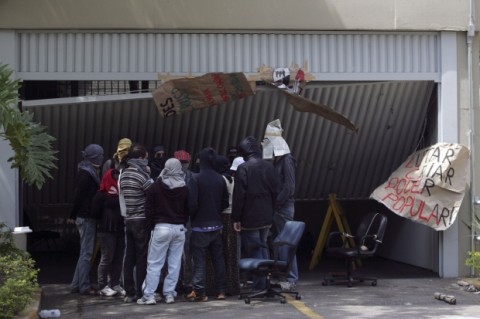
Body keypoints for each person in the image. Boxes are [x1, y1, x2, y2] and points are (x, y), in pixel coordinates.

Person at [137, 158, 189, 305]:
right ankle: (170, 293)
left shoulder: (156, 186)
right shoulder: (184, 187)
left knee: (154, 263)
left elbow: (149, 209)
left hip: (161, 228)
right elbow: (187, 209)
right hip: (179, 229)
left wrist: (152, 225)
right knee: (174, 263)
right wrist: (182, 223)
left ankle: (149, 295)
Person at [232, 136, 280, 291]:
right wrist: (272, 210)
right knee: (263, 246)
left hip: (250, 217)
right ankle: (266, 282)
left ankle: (260, 286)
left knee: (254, 249)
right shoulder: (270, 167)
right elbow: (276, 192)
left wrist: (236, 218)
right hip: (267, 215)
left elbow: (239, 196)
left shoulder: (244, 168)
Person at [187, 147, 229, 302]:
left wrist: (194, 215)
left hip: (200, 226)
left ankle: (200, 292)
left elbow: (192, 204)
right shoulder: (220, 179)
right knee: (218, 258)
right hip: (217, 226)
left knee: (199, 259)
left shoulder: (195, 178)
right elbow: (225, 201)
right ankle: (221, 291)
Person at [262, 119, 298, 291]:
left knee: (286, 243)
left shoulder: (286, 160)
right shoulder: (276, 160)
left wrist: (276, 203)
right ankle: (281, 274)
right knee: (277, 242)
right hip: (277, 207)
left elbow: (289, 186)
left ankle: (291, 278)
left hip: (283, 207)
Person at [118, 143, 154, 303]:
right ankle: (140, 291)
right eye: (145, 158)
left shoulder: (124, 174)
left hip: (129, 220)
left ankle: (129, 292)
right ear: (140, 158)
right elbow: (152, 195)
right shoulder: (141, 176)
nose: (147, 161)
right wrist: (149, 175)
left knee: (129, 257)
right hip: (141, 220)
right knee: (141, 257)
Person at [67, 143, 104, 295]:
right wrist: (72, 215)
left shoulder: (88, 170)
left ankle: (76, 285)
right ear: (95, 157)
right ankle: (84, 286)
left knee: (85, 252)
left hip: (85, 216)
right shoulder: (86, 173)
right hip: (86, 217)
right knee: (87, 253)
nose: (102, 158)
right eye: (100, 155)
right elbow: (79, 195)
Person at [91, 168, 126, 297]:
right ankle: (102, 285)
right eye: (115, 176)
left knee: (118, 258)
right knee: (107, 257)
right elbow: (94, 213)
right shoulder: (101, 194)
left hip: (121, 229)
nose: (117, 179)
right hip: (106, 230)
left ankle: (115, 283)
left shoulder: (122, 193)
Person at [214, 155, 240, 296]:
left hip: (222, 217)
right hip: (233, 217)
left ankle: (218, 286)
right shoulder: (234, 180)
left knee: (219, 253)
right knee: (231, 253)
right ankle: (233, 285)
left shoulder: (220, 180)